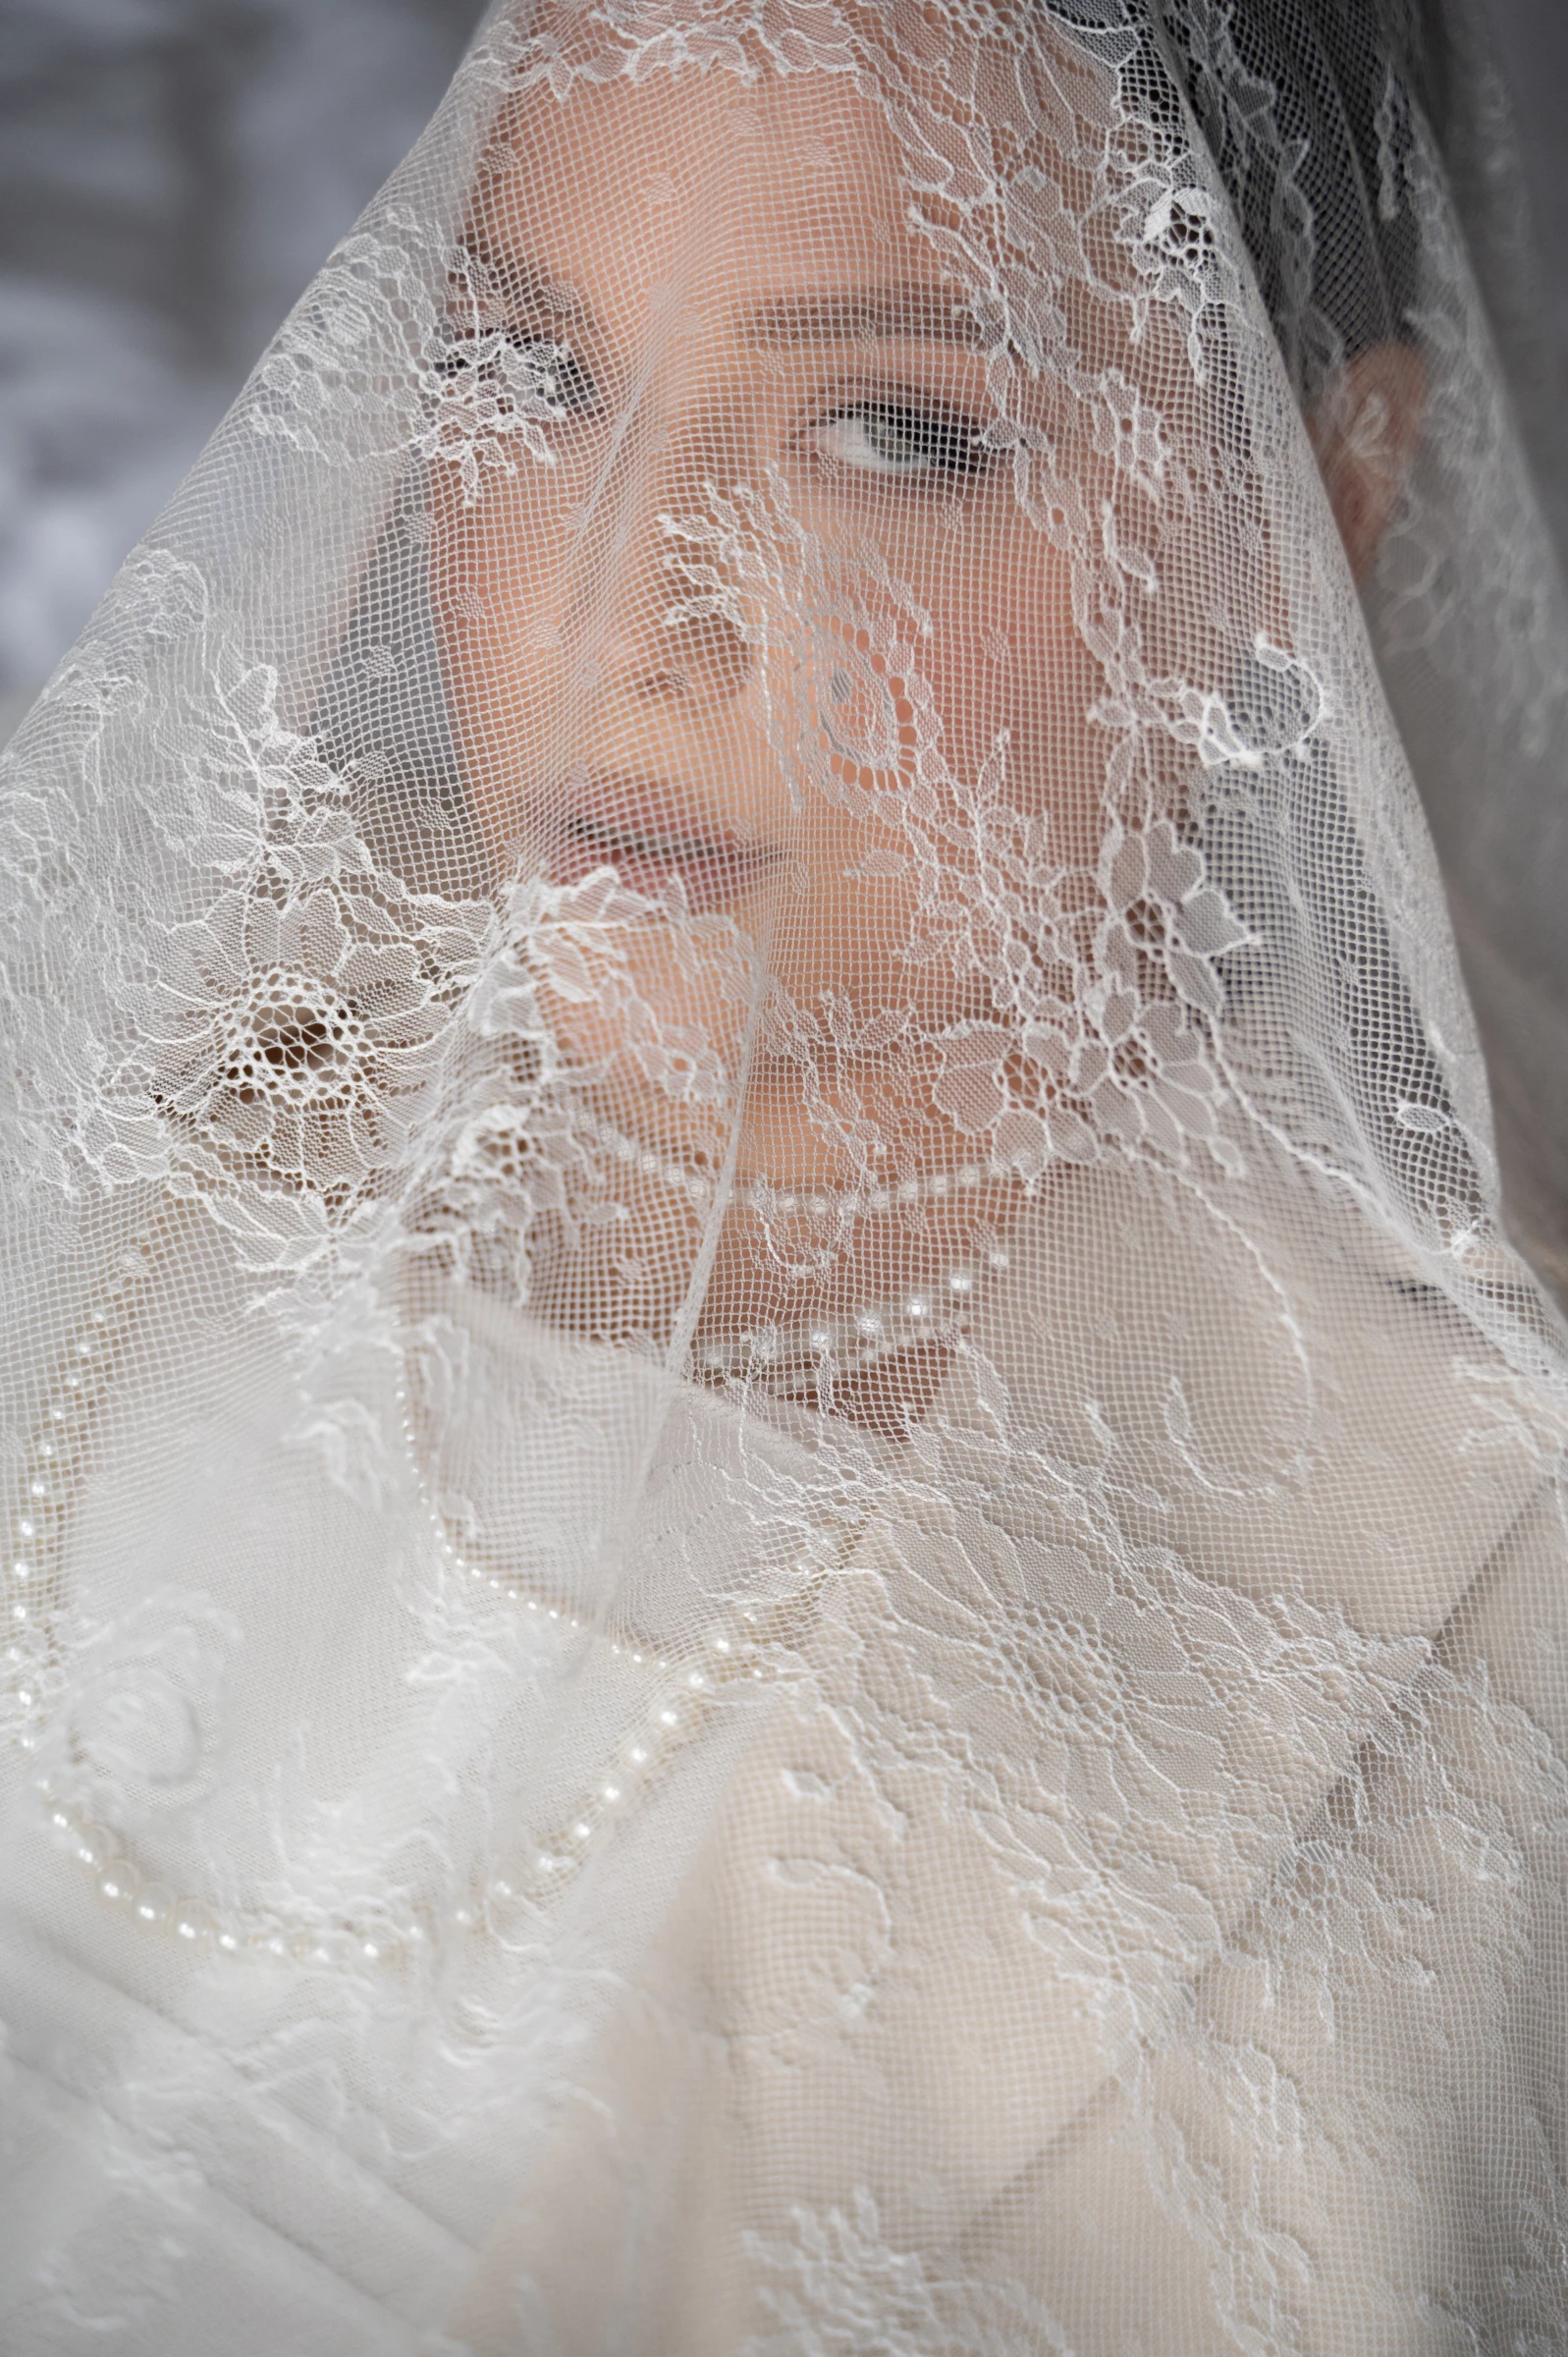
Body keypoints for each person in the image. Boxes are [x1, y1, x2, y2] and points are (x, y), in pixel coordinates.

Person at [1, 2, 1566, 2349]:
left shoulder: (1495, 1588)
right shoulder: (132, 976)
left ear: (1309, 500)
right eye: (533, 375)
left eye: (895, 431)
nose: (623, 611)